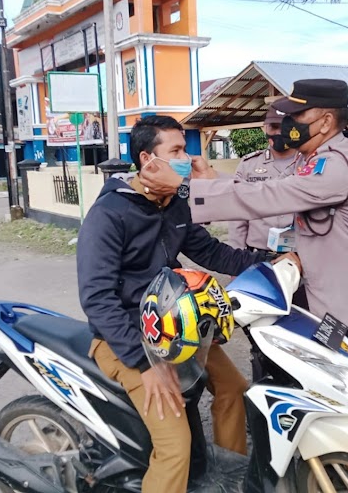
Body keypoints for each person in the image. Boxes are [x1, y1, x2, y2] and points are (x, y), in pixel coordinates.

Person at [140, 79, 348, 448]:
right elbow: (263, 187)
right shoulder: (313, 160)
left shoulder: (335, 165)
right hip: (330, 310)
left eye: (298, 115)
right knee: (336, 392)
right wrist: (212, 181)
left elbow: (270, 195)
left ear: (325, 122)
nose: (289, 123)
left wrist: (184, 188)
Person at [77, 115, 283, 493]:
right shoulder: (109, 215)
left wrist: (271, 262)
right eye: (175, 151)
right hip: (127, 338)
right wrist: (144, 364)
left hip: (178, 326)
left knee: (234, 390)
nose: (186, 159)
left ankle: (226, 478)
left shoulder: (173, 204)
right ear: (147, 159)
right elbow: (97, 298)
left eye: (185, 150)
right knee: (174, 445)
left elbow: (212, 252)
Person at [228, 105, 298, 252]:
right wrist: (237, 256)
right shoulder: (249, 165)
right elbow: (237, 215)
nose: (279, 132)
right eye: (274, 127)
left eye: (284, 128)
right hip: (259, 251)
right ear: (265, 127)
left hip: (300, 253)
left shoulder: (308, 163)